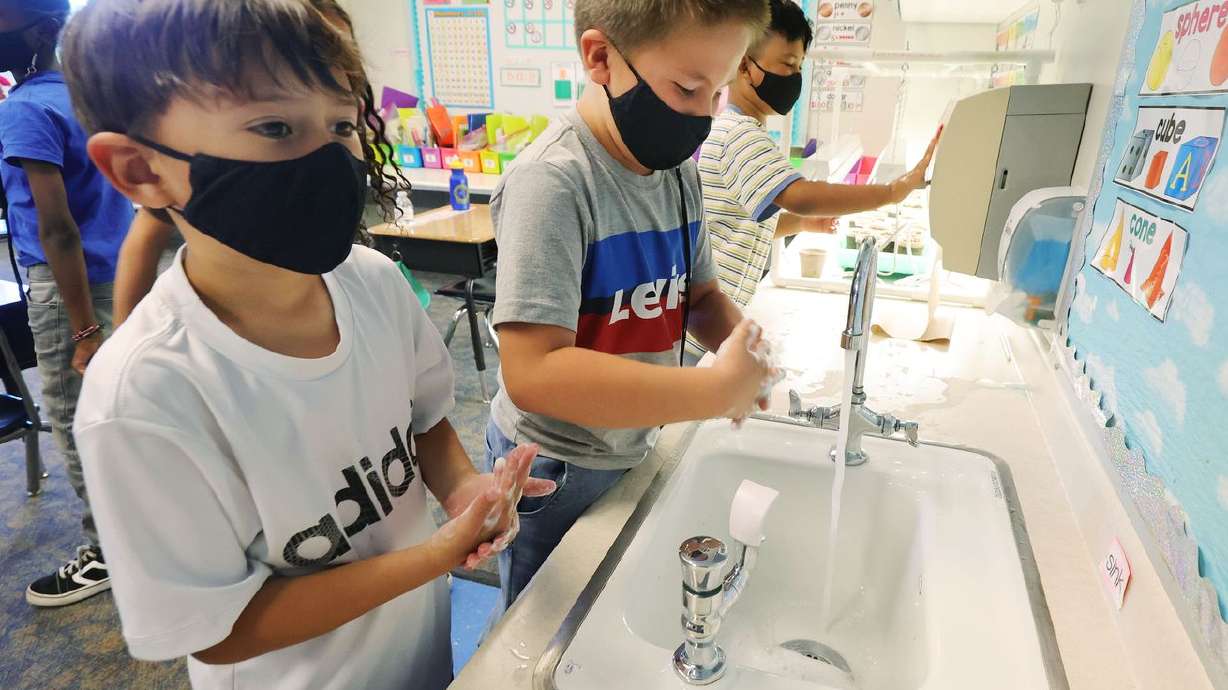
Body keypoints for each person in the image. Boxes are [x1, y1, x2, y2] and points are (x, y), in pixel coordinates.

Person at [62, 1, 551, 687]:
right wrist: (435, 555)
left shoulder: (375, 285)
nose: (328, 156)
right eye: (274, 126)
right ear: (140, 170)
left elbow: (424, 423)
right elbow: (221, 632)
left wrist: (466, 489)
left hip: (419, 658)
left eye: (342, 124)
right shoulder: (144, 397)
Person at [488, 0, 779, 611]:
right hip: (556, 467)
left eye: (718, 93)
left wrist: (740, 344)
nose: (702, 116)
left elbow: (697, 296)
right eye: (688, 88)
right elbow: (535, 371)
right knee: (541, 623)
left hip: (630, 441)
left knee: (609, 597)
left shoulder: (675, 172)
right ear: (601, 57)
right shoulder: (554, 182)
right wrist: (710, 391)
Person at [110, 0, 407, 328]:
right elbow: (144, 242)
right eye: (275, 128)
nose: (321, 66)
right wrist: (125, 337)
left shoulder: (376, 281)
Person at [0, 0, 133, 608]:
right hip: (124, 273)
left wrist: (82, 331)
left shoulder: (26, 108)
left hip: (69, 288)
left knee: (79, 423)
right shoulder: (86, 97)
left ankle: (111, 552)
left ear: (43, 30)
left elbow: (56, 231)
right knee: (129, 414)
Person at [699, 0, 940, 313]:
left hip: (714, 313)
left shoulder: (741, 130)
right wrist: (893, 191)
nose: (794, 77)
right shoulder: (740, 134)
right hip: (701, 325)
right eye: (787, 66)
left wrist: (801, 224)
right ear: (744, 66)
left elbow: (743, 225)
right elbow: (801, 195)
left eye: (799, 67)